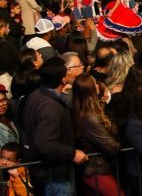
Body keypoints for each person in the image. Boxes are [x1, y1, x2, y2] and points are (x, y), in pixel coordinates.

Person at [21, 56, 88, 194]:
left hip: (45, 172)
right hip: (55, 176)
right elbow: (45, 143)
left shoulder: (36, 95)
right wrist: (73, 153)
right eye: (66, 72)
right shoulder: (51, 107)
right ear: (63, 79)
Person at [72, 74, 123, 196]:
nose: (97, 85)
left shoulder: (83, 112)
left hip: (95, 169)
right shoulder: (90, 118)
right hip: (96, 170)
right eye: (94, 83)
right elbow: (113, 147)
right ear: (91, 90)